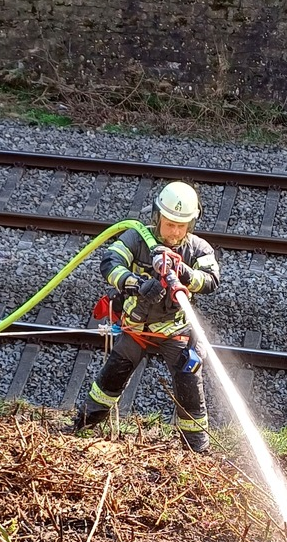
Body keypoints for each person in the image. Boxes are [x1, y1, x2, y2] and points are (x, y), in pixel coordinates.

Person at [70, 181, 221, 453]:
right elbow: (109, 263)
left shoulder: (199, 249)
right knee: (110, 380)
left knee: (190, 387)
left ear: (191, 224)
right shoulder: (136, 238)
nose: (174, 232)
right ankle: (81, 427)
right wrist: (134, 283)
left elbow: (211, 280)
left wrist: (185, 272)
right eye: (169, 223)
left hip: (176, 331)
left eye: (181, 225)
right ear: (157, 217)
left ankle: (197, 451)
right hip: (137, 328)